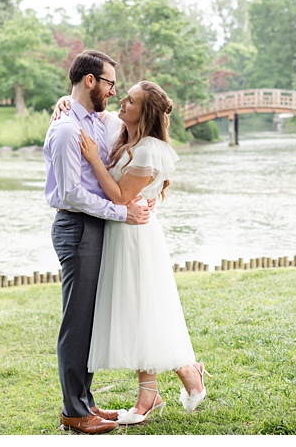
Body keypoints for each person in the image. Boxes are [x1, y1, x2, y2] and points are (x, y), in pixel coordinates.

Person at [74, 80, 211, 425]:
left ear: (145, 112)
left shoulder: (149, 148)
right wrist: (64, 102)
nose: (122, 101)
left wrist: (93, 160)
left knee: (143, 309)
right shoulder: (126, 135)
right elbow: (82, 104)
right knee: (137, 312)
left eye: (130, 100)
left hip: (136, 236)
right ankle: (167, 382)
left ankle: (161, 387)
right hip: (122, 232)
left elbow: (120, 196)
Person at [43, 50, 154, 435]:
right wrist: (124, 213)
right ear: (90, 80)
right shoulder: (65, 131)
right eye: (109, 83)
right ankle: (74, 411)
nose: (113, 91)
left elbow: (143, 120)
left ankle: (86, 402)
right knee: (76, 322)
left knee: (88, 321)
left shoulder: (92, 120)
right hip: (77, 227)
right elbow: (72, 194)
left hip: (94, 227)